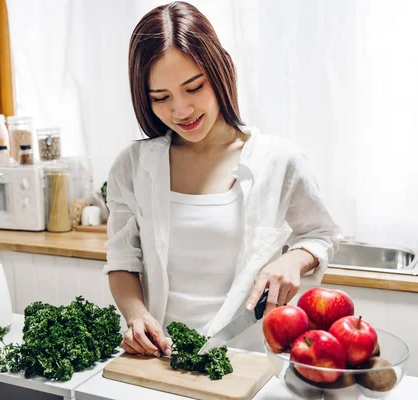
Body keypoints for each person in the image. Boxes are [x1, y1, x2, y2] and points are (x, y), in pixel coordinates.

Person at [102, 1, 342, 358]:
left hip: (248, 361)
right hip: (159, 361)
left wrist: (293, 260)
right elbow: (122, 260)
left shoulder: (278, 160)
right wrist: (136, 316)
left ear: (219, 71)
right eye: (161, 97)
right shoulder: (133, 166)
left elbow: (322, 234)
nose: (181, 110)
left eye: (194, 87)